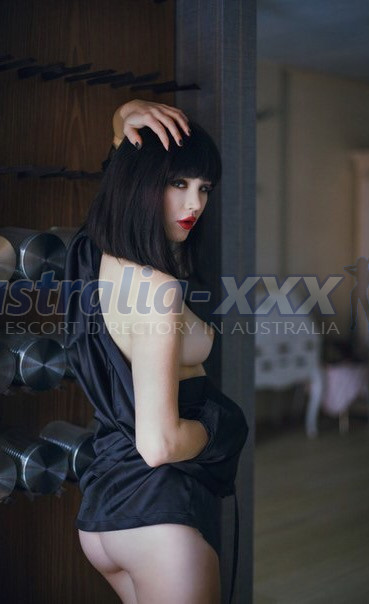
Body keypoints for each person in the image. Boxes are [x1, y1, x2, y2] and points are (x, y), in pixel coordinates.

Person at [63, 99, 249, 604]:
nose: (194, 204)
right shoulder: (157, 290)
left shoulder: (92, 255)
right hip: (160, 516)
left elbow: (121, 166)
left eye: (204, 188)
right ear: (142, 184)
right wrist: (220, 427)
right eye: (178, 183)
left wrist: (124, 114)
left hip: (106, 511)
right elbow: (159, 444)